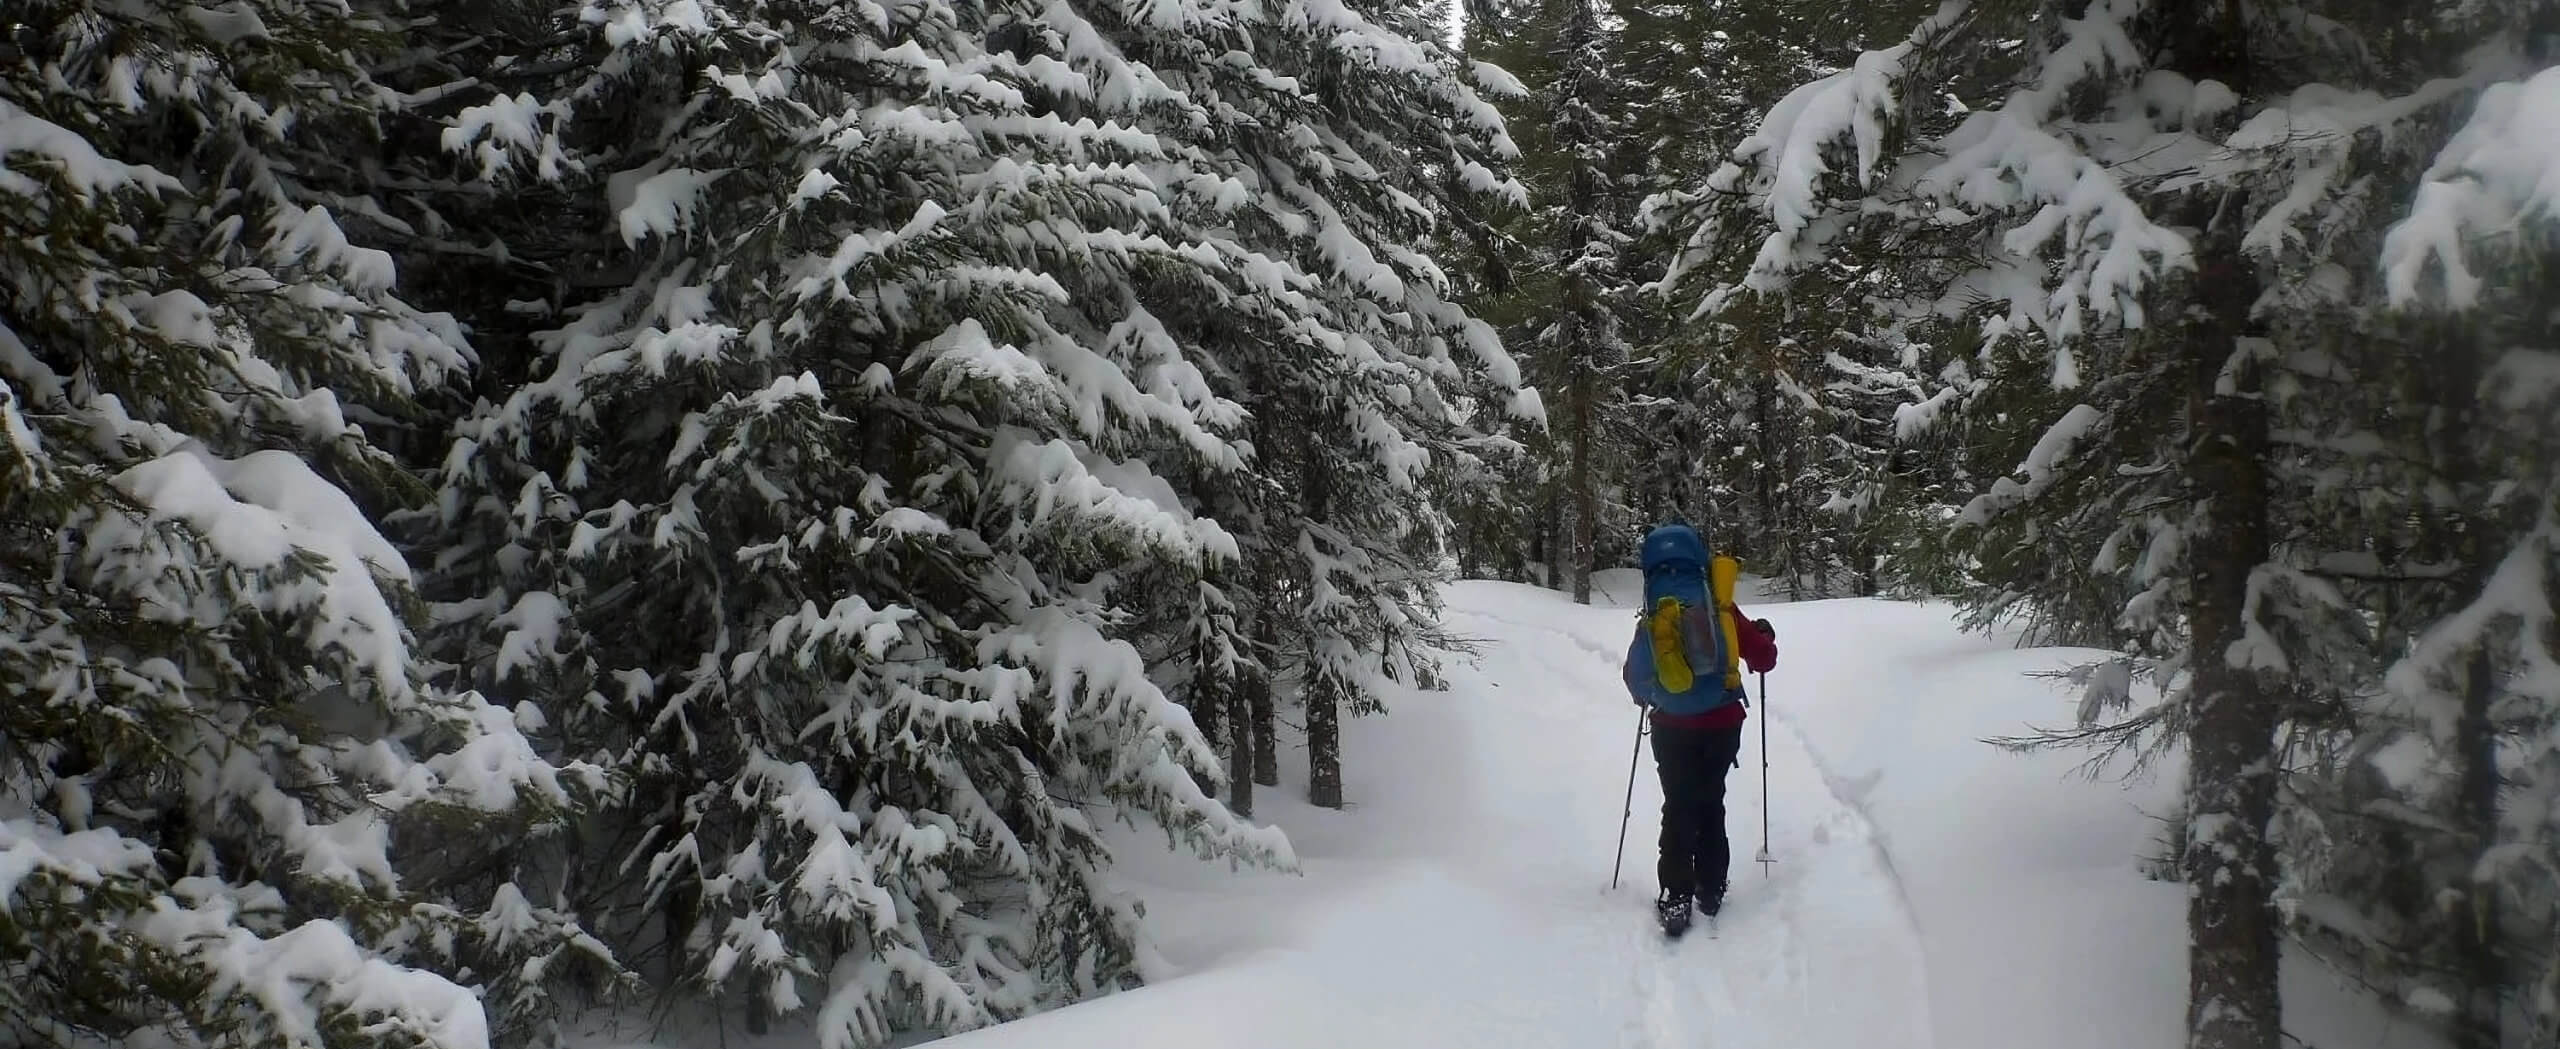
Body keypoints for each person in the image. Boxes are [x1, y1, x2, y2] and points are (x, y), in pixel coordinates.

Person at [1620, 523, 1777, 935]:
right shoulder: (1719, 605)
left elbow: (1635, 677)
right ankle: (1710, 888)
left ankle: (1676, 897)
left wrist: (1652, 695)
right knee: (1711, 801)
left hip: (1671, 726)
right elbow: (1763, 659)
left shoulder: (1657, 611)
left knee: (1677, 805)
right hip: (1722, 722)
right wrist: (1763, 638)